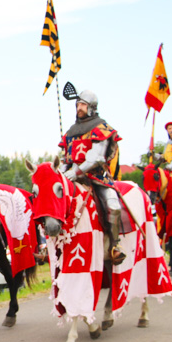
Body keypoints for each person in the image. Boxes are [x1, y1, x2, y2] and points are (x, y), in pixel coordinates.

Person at [58, 87, 125, 264]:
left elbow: (96, 157)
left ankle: (114, 245)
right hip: (72, 177)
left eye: (83, 104)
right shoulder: (70, 132)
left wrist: (76, 171)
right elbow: (65, 157)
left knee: (113, 206)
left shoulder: (100, 127)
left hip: (96, 176)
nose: (79, 107)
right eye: (77, 104)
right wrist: (61, 173)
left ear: (92, 107)